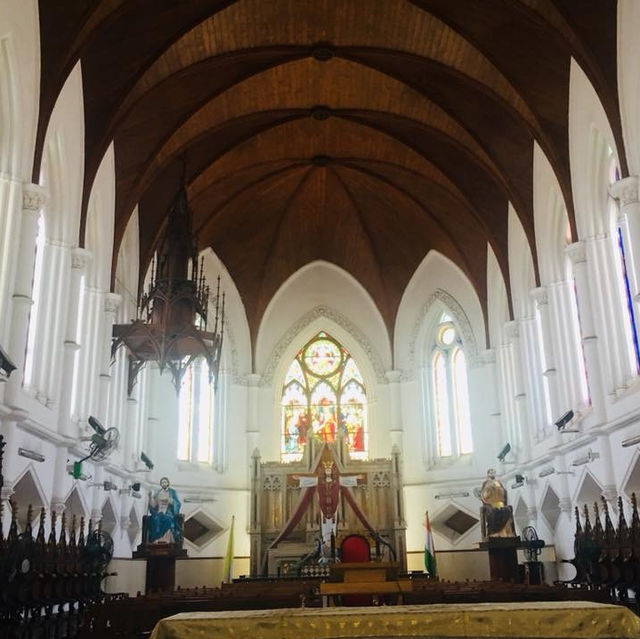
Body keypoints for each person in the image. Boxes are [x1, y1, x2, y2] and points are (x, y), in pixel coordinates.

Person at [480, 468, 516, 539]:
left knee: (506, 510)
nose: (492, 474)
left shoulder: (498, 482)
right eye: (490, 473)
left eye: (493, 472)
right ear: (488, 474)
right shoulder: (485, 483)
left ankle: (507, 533)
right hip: (490, 503)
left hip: (499, 503)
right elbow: (483, 494)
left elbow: (503, 492)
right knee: (493, 513)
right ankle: (494, 532)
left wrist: (501, 493)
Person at [148, 476, 182, 544]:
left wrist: (172, 501)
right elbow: (154, 505)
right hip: (159, 512)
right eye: (162, 482)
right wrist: (150, 497)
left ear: (168, 483)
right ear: (161, 484)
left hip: (168, 513)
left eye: (165, 482)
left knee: (167, 520)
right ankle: (155, 539)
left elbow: (178, 503)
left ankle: (165, 539)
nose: (164, 483)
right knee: (154, 519)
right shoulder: (158, 493)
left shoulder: (172, 492)